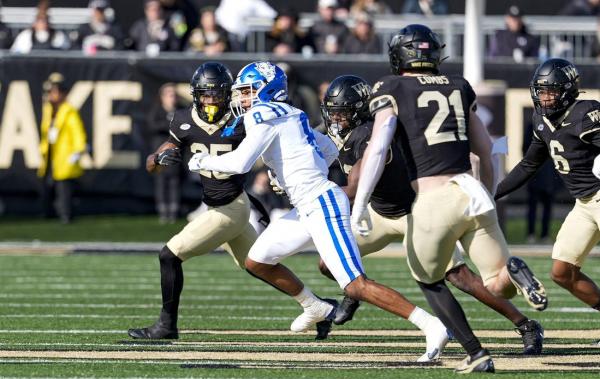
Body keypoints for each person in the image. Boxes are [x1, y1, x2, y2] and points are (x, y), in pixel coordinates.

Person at [188, 61, 450, 359]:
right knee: (258, 260)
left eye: (247, 91)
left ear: (266, 90)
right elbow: (328, 152)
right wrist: (291, 174)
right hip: (307, 204)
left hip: (321, 203)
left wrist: (201, 161)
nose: (241, 99)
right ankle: (314, 305)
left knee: (355, 285)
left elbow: (238, 164)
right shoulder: (293, 113)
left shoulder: (262, 114)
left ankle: (432, 325)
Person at [351, 24, 548, 373]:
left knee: (429, 278)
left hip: (433, 197)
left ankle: (476, 352)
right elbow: (486, 152)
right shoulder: (458, 85)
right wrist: (488, 195)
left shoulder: (391, 87)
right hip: (470, 190)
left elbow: (379, 147)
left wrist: (361, 200)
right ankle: (514, 271)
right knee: (498, 284)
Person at [318, 74, 544, 356]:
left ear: (361, 110)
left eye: (343, 114)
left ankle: (525, 324)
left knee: (460, 277)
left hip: (415, 213)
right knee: (329, 263)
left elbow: (353, 188)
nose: (336, 120)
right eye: (333, 113)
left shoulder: (368, 133)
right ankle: (355, 291)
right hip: (379, 212)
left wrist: (312, 193)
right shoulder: (344, 131)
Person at [128, 62, 260, 340]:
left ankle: (166, 325)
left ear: (228, 95)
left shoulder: (242, 119)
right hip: (219, 205)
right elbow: (154, 161)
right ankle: (318, 306)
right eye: (205, 94)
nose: (210, 101)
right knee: (259, 264)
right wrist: (158, 159)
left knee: (169, 255)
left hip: (230, 206)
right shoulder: (183, 120)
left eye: (216, 94)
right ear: (196, 95)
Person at [495, 58, 600, 325]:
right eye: (541, 91)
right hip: (584, 204)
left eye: (551, 91)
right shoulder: (541, 119)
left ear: (567, 91)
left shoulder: (586, 114)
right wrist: (492, 192)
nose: (545, 97)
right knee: (562, 272)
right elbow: (530, 164)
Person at [38, 73, 87, 224]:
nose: (51, 95)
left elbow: (77, 132)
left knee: (64, 187)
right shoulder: (49, 110)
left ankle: (66, 214)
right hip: (51, 154)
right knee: (49, 185)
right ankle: (50, 212)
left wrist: (78, 150)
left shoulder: (69, 111)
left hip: (64, 154)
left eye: (53, 92)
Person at [146, 83, 184, 223]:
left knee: (175, 180)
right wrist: (168, 125)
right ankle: (162, 211)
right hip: (159, 151)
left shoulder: (180, 111)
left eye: (174, 94)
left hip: (176, 152)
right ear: (162, 97)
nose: (172, 98)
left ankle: (174, 210)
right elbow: (152, 126)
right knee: (161, 180)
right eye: (169, 94)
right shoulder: (156, 111)